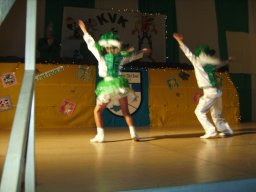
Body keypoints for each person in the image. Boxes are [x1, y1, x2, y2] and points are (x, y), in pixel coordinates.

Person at [78, 19, 150, 143]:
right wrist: (143, 52)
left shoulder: (101, 56)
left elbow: (91, 44)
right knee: (126, 111)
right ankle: (134, 134)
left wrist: (84, 30)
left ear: (106, 45)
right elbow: (133, 55)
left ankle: (100, 135)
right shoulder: (121, 56)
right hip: (120, 85)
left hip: (108, 86)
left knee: (97, 111)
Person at [173, 33, 233, 139]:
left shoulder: (197, 61)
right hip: (217, 91)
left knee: (199, 111)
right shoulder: (210, 63)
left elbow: (187, 52)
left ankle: (210, 131)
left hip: (211, 91)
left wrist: (179, 41)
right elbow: (221, 63)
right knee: (216, 113)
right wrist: (228, 60)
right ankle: (226, 130)